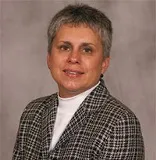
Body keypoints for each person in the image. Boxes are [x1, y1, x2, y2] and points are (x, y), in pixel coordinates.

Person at [12, 4, 144, 160]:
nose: (73, 58)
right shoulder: (33, 112)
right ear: (49, 58)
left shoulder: (120, 123)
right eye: (64, 47)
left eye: (87, 50)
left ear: (104, 63)